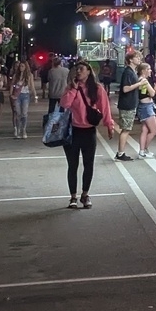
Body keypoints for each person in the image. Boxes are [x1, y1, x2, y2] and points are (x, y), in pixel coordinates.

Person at [60, 60, 115, 208]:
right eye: (77, 69)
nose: (78, 71)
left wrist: (109, 125)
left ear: (89, 72)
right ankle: (73, 197)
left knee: (88, 164)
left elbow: (105, 108)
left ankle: (85, 194)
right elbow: (64, 104)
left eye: (82, 69)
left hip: (89, 131)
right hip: (72, 131)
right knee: (72, 165)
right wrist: (74, 89)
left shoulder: (97, 89)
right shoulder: (71, 87)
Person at [9, 60, 36, 138]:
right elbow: (12, 85)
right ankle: (18, 129)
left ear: (26, 67)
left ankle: (24, 130)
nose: (21, 68)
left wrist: (35, 96)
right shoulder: (15, 76)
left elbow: (32, 86)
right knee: (17, 113)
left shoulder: (29, 75)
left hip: (25, 95)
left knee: (24, 113)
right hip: (17, 95)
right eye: (20, 66)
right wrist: (11, 94)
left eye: (22, 66)